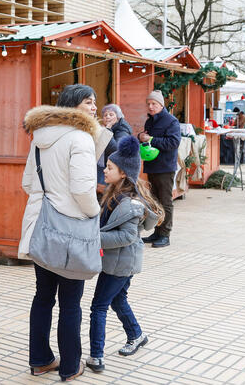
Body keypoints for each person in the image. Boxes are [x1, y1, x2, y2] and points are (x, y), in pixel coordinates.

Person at [19, 85, 101, 381]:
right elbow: (82, 189)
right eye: (89, 102)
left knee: (43, 297)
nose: (94, 108)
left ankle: (40, 360)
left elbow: (28, 182)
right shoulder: (81, 138)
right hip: (71, 230)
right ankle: (70, 367)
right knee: (70, 302)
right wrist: (94, 213)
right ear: (73, 106)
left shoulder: (39, 137)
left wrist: (49, 197)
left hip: (41, 226)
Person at [86, 136, 164, 373]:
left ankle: (96, 357)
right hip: (121, 261)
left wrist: (93, 239)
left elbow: (127, 236)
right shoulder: (114, 194)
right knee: (118, 300)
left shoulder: (128, 202)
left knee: (98, 306)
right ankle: (137, 335)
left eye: (109, 167)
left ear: (123, 174)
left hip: (120, 263)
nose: (104, 169)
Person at [137, 90, 180, 248]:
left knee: (165, 201)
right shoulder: (150, 121)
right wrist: (140, 137)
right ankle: (157, 231)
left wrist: (152, 139)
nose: (150, 106)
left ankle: (165, 234)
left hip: (165, 167)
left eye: (154, 103)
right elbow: (146, 139)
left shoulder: (171, 121)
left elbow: (173, 143)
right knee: (154, 200)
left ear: (161, 104)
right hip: (151, 165)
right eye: (148, 104)